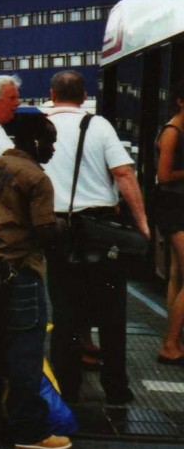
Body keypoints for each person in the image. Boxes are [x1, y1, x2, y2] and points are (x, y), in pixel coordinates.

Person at [0, 109, 69, 449]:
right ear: (35, 141)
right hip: (21, 273)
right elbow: (45, 232)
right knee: (24, 353)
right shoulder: (35, 178)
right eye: (50, 143)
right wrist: (64, 231)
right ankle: (29, 433)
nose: (52, 150)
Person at [42, 70, 150, 405]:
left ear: (51, 93)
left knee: (65, 312)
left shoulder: (36, 125)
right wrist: (142, 223)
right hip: (99, 230)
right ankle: (116, 388)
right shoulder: (98, 125)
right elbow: (123, 173)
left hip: (55, 228)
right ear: (83, 95)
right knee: (111, 311)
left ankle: (67, 387)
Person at [154, 80, 184, 365]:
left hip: (177, 205)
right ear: (180, 101)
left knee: (177, 275)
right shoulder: (173, 132)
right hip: (174, 208)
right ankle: (170, 344)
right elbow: (164, 176)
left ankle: (173, 341)